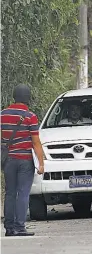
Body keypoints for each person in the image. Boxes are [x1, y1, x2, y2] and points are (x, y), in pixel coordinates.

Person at [1, 84, 45, 236]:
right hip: (25, 160)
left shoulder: (2, 114)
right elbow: (36, 142)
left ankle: (9, 228)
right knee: (23, 193)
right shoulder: (30, 116)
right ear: (27, 98)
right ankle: (19, 227)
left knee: (10, 193)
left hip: (8, 161)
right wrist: (41, 163)